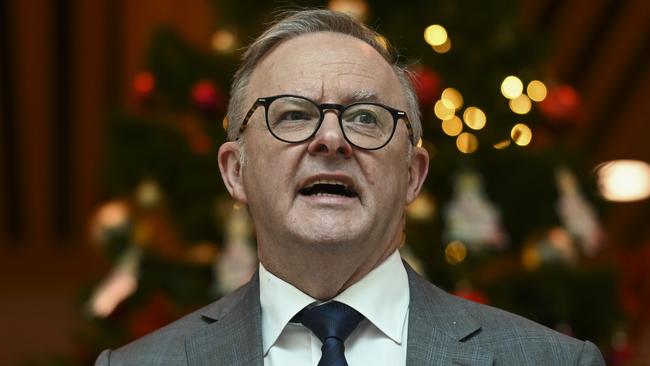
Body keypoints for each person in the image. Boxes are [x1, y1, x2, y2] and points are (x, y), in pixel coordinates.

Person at [96, 9, 605, 366]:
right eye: (293, 114)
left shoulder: (552, 361)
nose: (331, 139)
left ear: (412, 175)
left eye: (365, 117)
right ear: (235, 172)